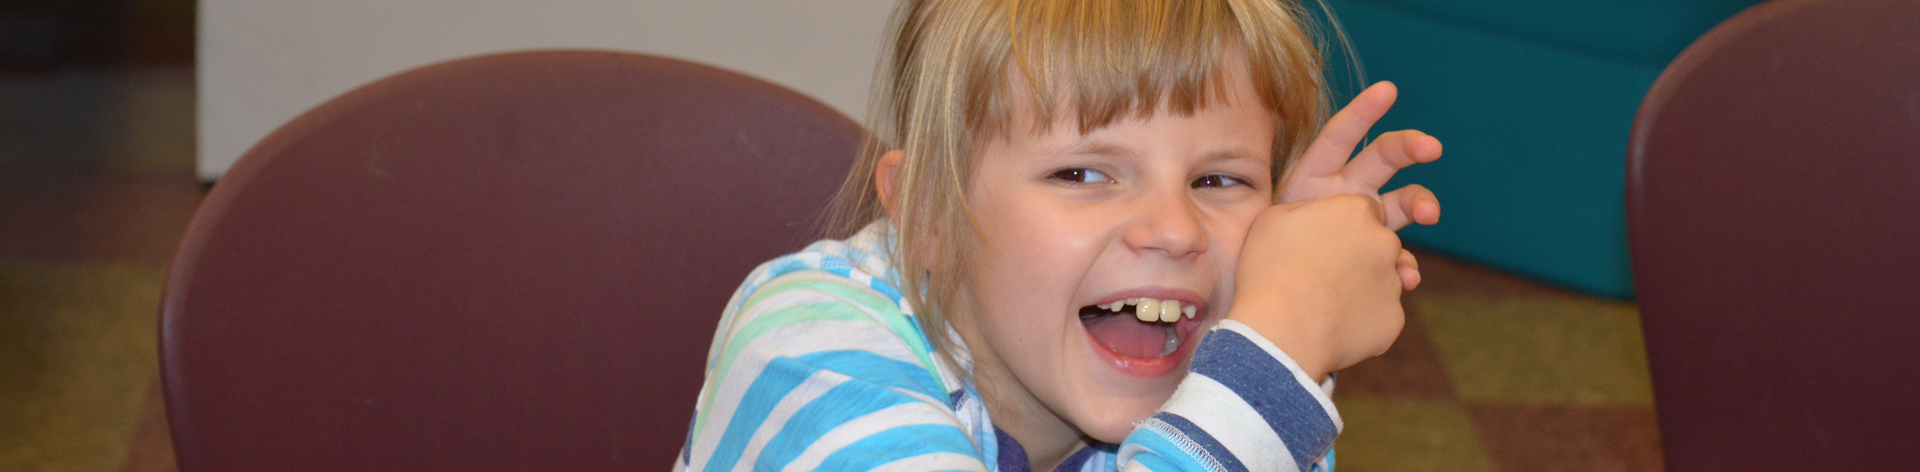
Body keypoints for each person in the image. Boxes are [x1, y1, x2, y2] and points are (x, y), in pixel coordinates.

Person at [675, 0, 1442, 470]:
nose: (1176, 230)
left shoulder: (1208, 382)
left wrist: (1278, 315)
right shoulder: (811, 353)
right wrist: (1275, 355)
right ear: (930, 218)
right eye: (1082, 174)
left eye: (1220, 181)